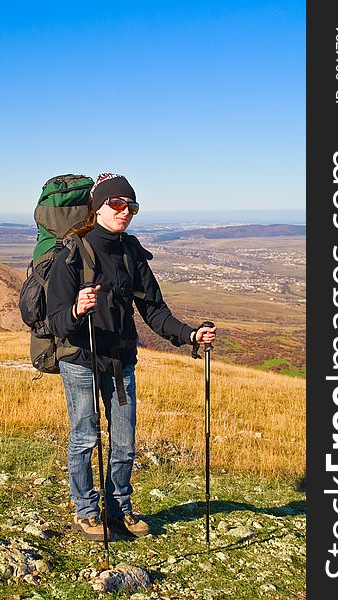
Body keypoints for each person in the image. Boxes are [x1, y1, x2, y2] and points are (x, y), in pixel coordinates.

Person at [47, 173, 216, 541]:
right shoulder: (73, 253)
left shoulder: (131, 252)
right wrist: (76, 308)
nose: (125, 211)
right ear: (98, 207)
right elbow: (56, 322)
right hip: (81, 359)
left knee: (124, 442)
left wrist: (189, 335)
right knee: (85, 437)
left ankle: (119, 507)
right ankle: (86, 511)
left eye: (131, 206)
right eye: (117, 204)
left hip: (121, 360)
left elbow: (154, 310)